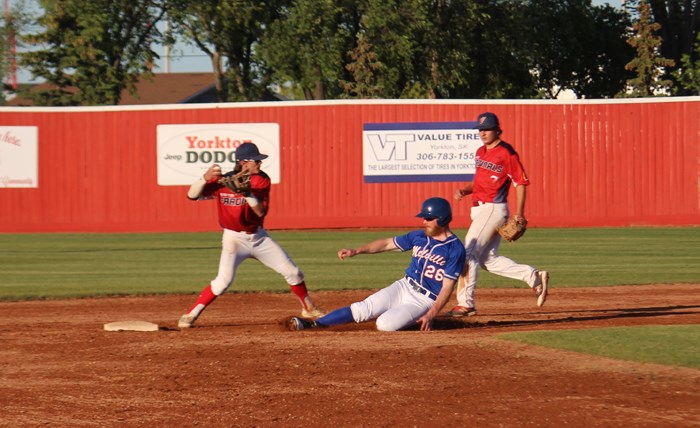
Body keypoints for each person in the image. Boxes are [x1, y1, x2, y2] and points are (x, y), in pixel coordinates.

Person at [178, 142, 324, 328]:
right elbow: (191, 195)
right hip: (234, 239)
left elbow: (260, 212)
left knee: (293, 273)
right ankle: (191, 314)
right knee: (222, 282)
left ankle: (308, 308)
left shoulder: (261, 180)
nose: (260, 164)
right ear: (244, 162)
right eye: (256, 160)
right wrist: (204, 178)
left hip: (258, 238)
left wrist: (247, 193)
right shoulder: (224, 181)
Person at [287, 197, 466, 332]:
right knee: (363, 309)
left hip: (424, 300)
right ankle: (315, 324)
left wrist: (431, 313)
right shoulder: (418, 236)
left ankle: (414, 319)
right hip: (404, 286)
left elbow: (447, 287)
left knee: (384, 324)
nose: (424, 221)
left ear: (442, 220)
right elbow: (387, 244)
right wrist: (356, 251)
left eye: (429, 218)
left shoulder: (454, 249)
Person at [446, 112, 549, 318]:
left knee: (467, 253)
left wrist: (520, 212)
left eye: (487, 129)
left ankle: (465, 304)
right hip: (480, 208)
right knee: (487, 259)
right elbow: (480, 180)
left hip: (493, 208)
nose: (483, 133)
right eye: (480, 129)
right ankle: (534, 277)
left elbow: (520, 182)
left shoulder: (506, 152)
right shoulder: (480, 152)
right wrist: (466, 190)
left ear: (497, 130)